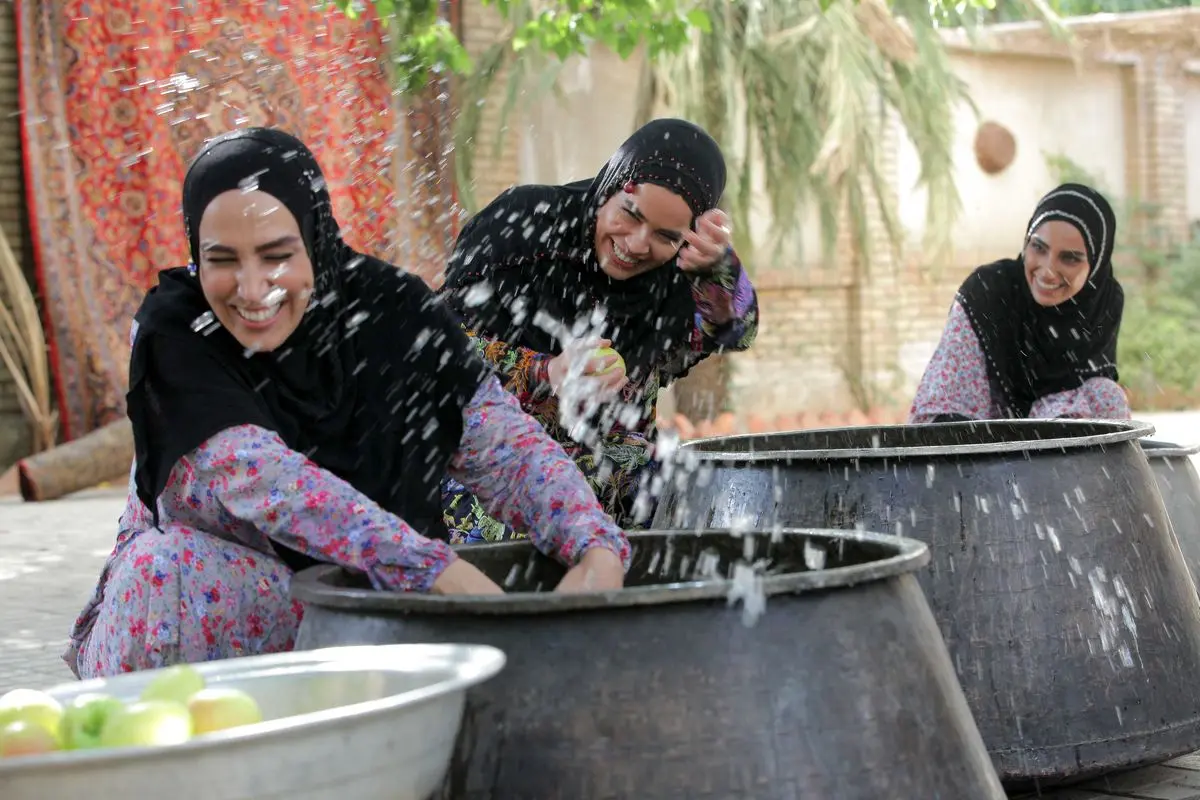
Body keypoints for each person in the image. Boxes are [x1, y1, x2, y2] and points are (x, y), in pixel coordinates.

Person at [66, 128, 631, 679]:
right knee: (160, 573)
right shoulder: (177, 332)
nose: (254, 288)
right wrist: (434, 571)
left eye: (276, 255)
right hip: (220, 617)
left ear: (315, 238)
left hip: (369, 603)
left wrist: (595, 545)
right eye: (223, 260)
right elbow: (267, 482)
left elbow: (506, 450)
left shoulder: (392, 313)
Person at [438, 118, 758, 542]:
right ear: (609, 186)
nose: (637, 244)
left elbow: (739, 333)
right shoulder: (523, 226)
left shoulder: (682, 275)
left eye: (665, 235)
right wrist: (547, 372)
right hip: (492, 472)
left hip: (618, 484)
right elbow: (436, 354)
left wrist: (720, 277)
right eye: (630, 214)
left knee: (716, 512)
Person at [909, 183, 1129, 423]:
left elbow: (1092, 389)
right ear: (1026, 242)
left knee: (1107, 397)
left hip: (1056, 443)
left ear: (1096, 265)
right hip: (979, 436)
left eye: (1069, 258)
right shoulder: (988, 291)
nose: (1047, 271)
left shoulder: (1103, 300)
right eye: (1038, 247)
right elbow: (949, 392)